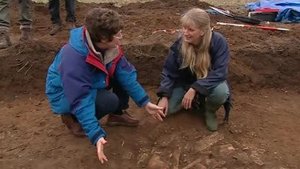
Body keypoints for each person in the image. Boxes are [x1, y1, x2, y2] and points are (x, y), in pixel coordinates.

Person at [45, 7, 165, 163]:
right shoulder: (73, 57)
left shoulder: (110, 46)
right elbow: (81, 98)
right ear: (102, 38)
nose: (121, 38)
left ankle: (117, 114)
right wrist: (96, 135)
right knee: (108, 101)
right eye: (117, 35)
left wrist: (145, 102)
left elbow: (126, 74)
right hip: (64, 93)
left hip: (92, 81)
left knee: (120, 73)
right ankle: (72, 118)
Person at [157, 8, 231, 132]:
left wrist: (195, 88)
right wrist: (164, 96)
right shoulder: (180, 44)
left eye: (190, 29)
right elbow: (169, 72)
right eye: (184, 28)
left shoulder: (218, 42)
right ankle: (192, 102)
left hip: (209, 82)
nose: (185, 33)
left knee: (221, 93)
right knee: (166, 111)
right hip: (184, 83)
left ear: (202, 31)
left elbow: (220, 72)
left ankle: (209, 110)